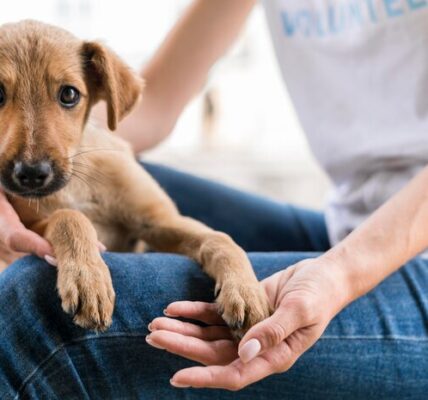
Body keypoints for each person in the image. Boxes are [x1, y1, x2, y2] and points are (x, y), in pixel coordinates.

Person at [1, 0, 428, 398]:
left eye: (68, 96)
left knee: (33, 304)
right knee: (117, 175)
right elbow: (154, 107)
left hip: (410, 255)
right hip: (347, 223)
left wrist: (340, 273)